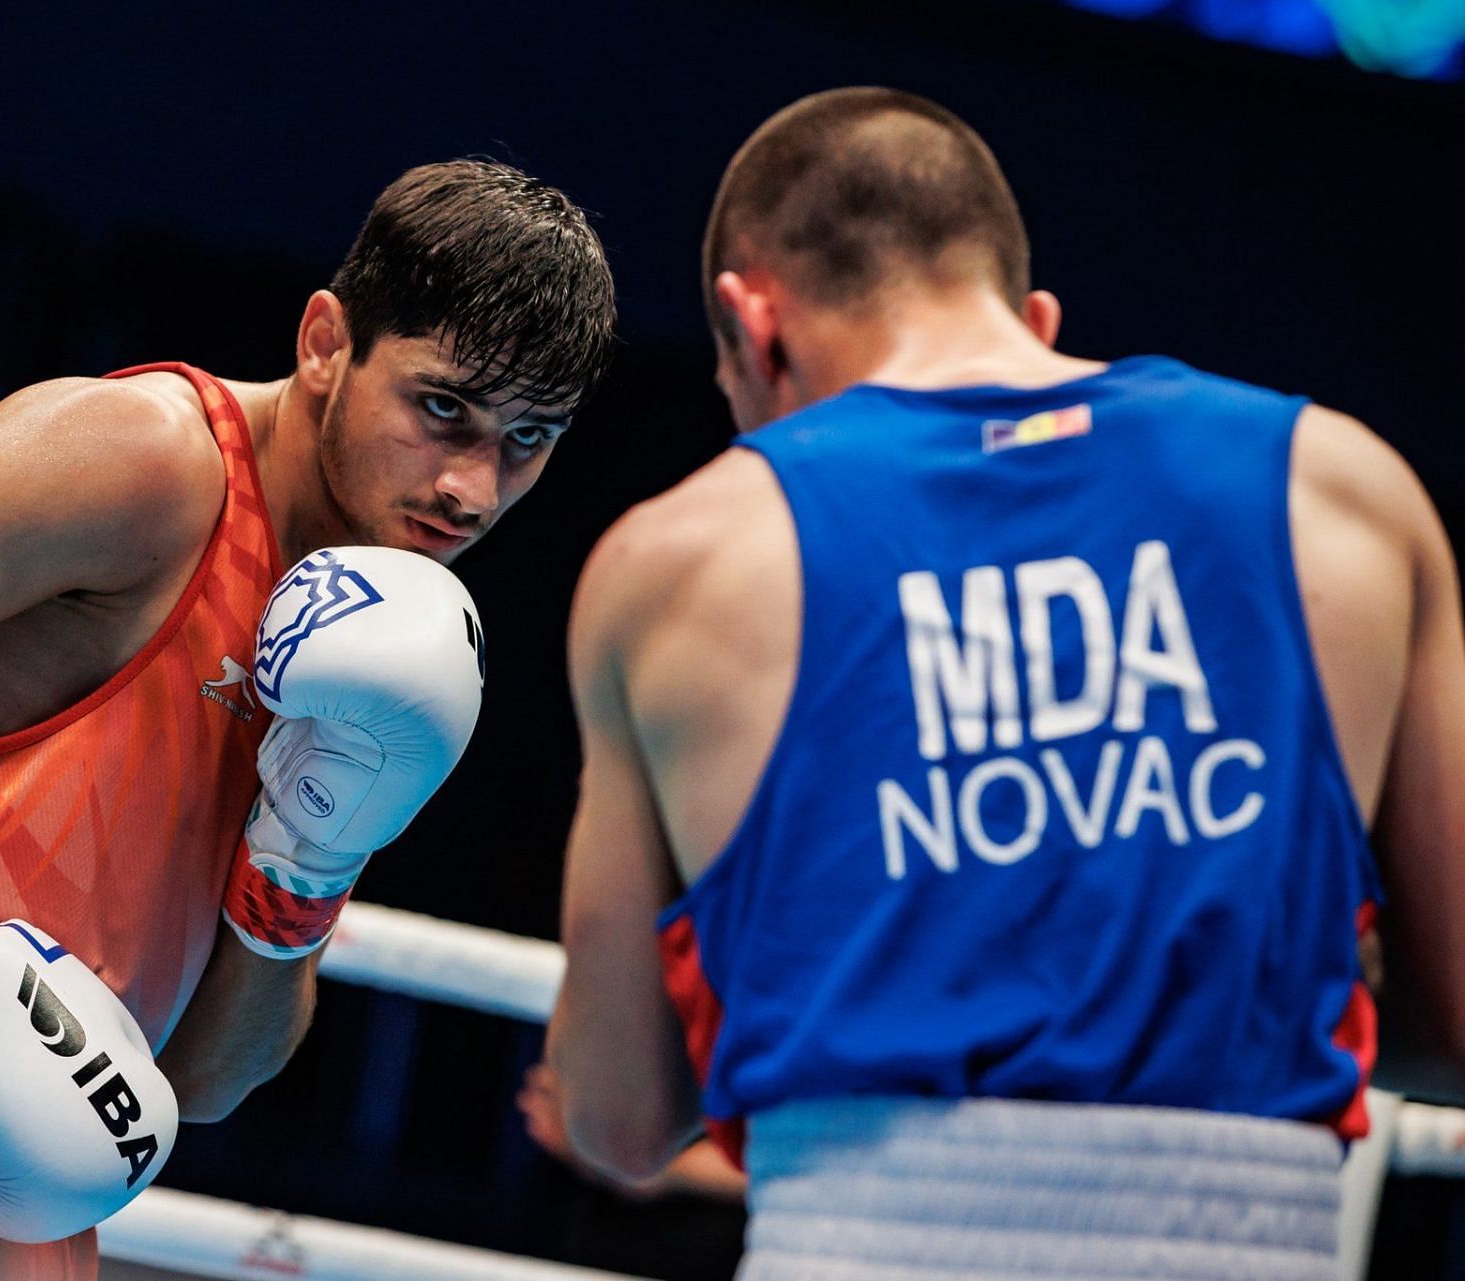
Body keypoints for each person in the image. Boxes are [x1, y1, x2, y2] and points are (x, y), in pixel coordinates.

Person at [0, 158, 616, 1280]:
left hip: (32, 1205)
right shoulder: (149, 464)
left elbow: (204, 1084)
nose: (473, 490)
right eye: (444, 410)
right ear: (325, 343)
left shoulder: (370, 637)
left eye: (529, 440)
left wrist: (306, 863)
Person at [545, 87, 1464, 1279]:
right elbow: (1452, 1025)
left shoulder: (681, 559)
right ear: (1031, 317)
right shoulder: (1347, 493)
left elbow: (616, 1118)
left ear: (751, 324)